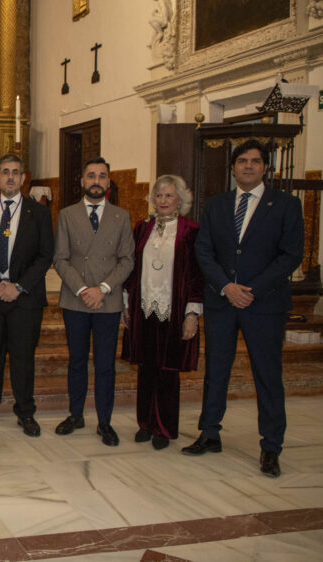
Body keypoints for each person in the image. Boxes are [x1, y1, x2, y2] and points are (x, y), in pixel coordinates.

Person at [184, 139, 303, 478]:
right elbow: (204, 250)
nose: (248, 166)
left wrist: (252, 289)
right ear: (233, 167)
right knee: (216, 370)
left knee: (267, 376)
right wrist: (226, 286)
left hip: (263, 304)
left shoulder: (285, 204)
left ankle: (271, 446)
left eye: (255, 161)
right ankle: (209, 432)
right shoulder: (218, 205)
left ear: (266, 167)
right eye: (242, 161)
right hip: (222, 301)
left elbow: (290, 254)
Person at [0, 155, 54, 437]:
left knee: (23, 357)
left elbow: (45, 256)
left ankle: (26, 412)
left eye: (15, 172)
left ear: (23, 178)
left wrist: (17, 287)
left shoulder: (38, 213)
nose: (9, 177)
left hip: (25, 299)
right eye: (4, 172)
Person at [54, 157, 134, 446]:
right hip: (76, 300)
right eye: (91, 176)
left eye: (102, 176)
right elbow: (60, 258)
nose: (96, 181)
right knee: (76, 361)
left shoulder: (121, 216)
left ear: (109, 182)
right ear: (82, 181)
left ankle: (105, 421)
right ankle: (75, 415)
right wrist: (83, 290)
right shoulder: (66, 214)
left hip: (107, 301)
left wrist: (102, 288)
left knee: (104, 365)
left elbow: (127, 260)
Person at [121, 175, 203, 451]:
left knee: (168, 371)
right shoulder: (142, 228)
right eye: (159, 195)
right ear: (152, 199)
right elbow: (131, 268)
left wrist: (192, 314)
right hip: (143, 307)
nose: (164, 201)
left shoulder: (190, 229)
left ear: (180, 199)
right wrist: (125, 304)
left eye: (169, 196)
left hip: (174, 309)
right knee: (145, 368)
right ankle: (145, 423)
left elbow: (196, 274)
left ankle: (164, 428)